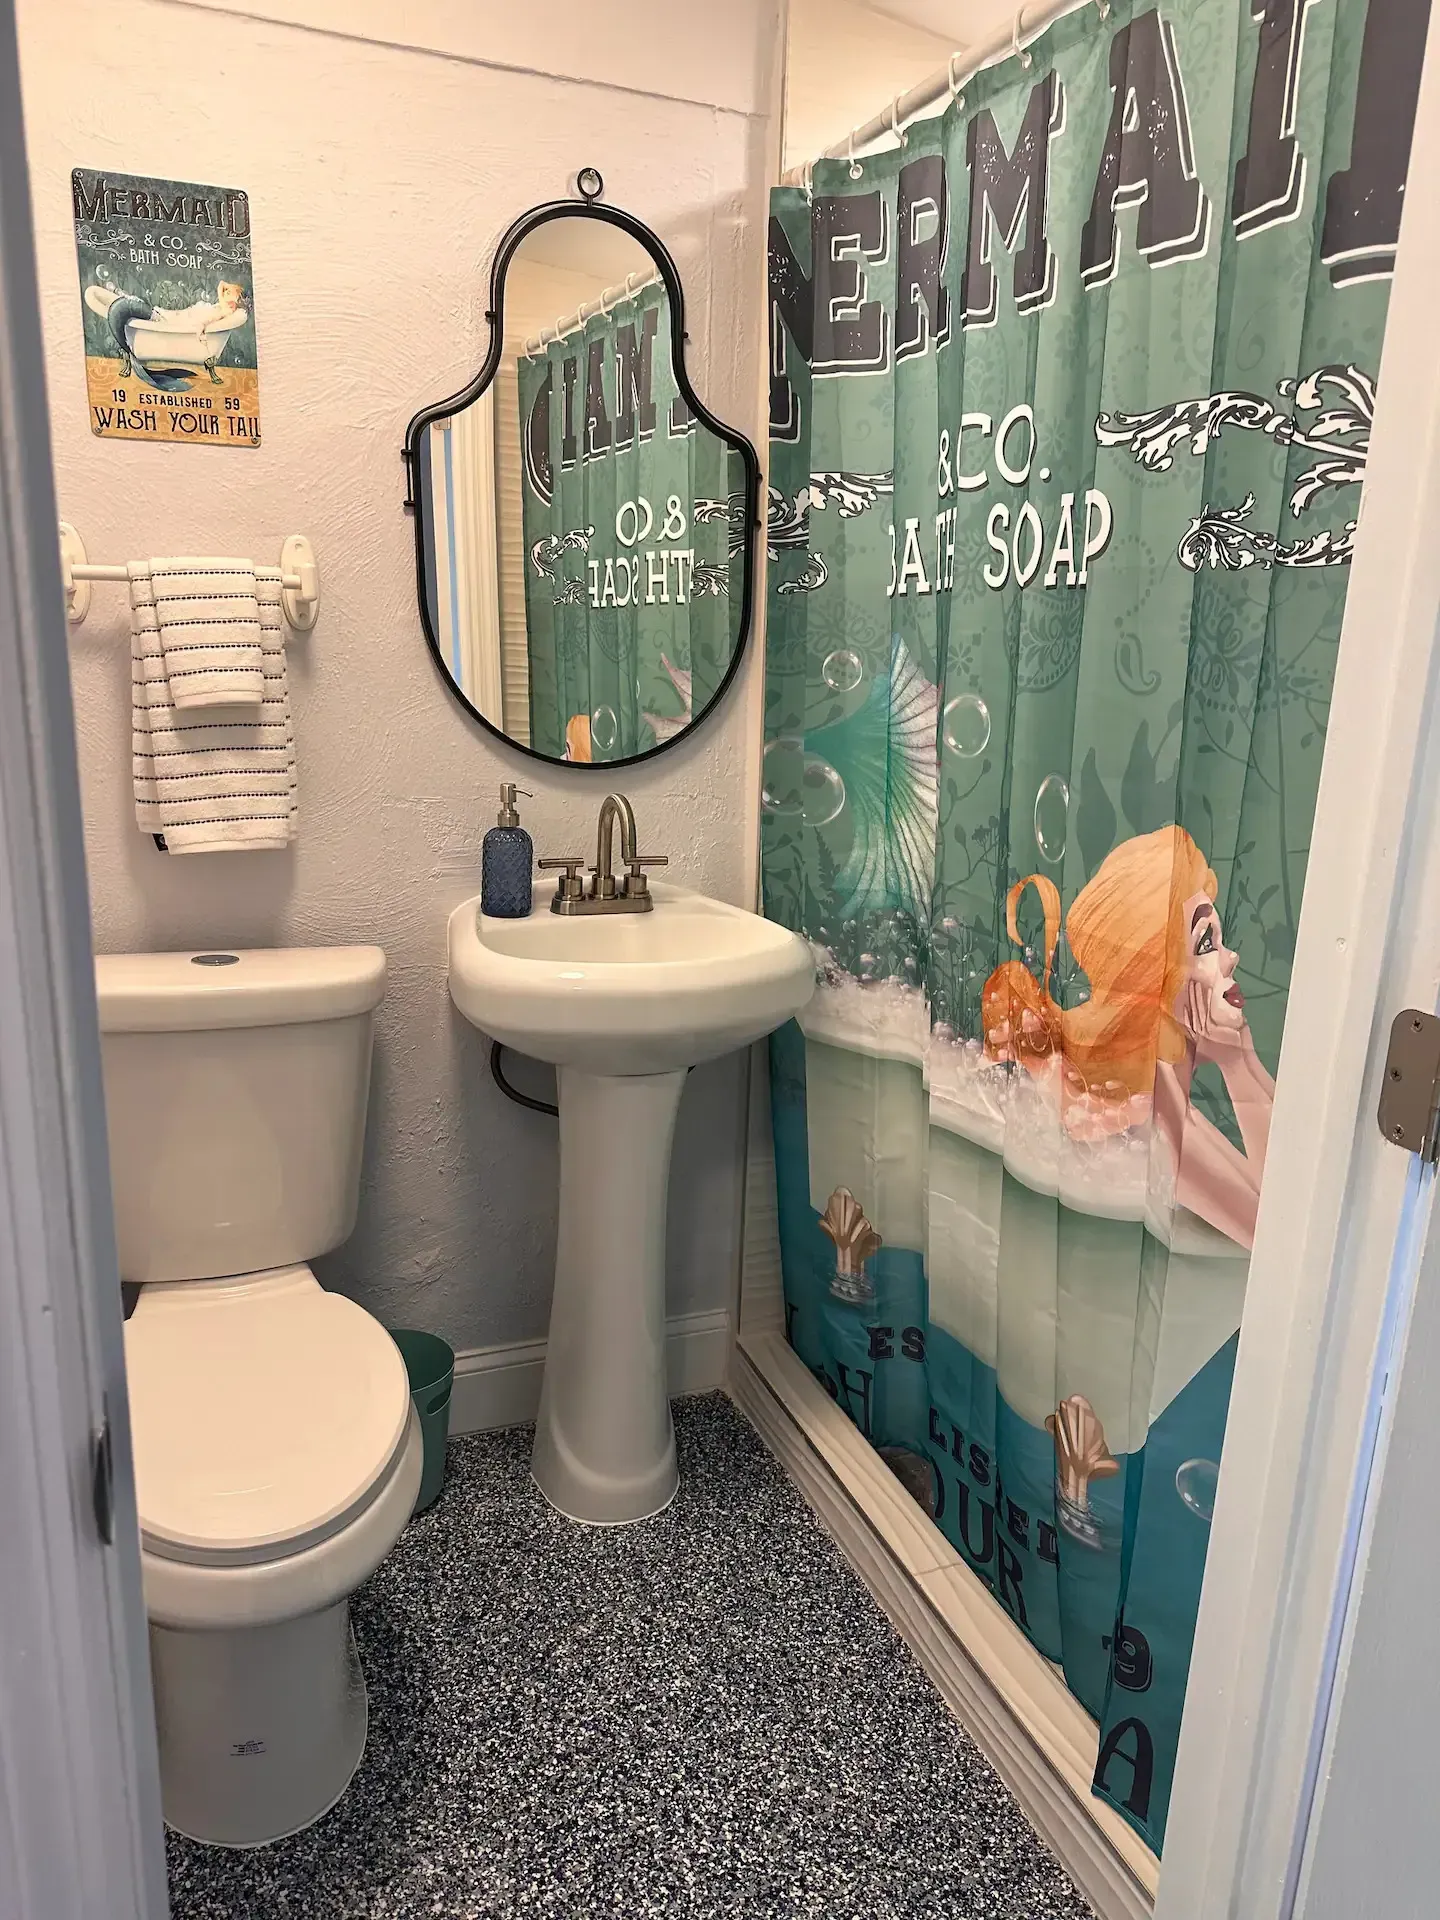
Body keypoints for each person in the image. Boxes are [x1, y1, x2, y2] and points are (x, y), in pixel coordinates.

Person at [981, 825, 1275, 1249]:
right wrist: (1234, 1064)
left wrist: (1240, 1054)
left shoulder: (1159, 1095)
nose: (1231, 958)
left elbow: (1276, 1195)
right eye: (1206, 942)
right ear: (1156, 978)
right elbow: (1276, 1235)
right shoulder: (1147, 1116)